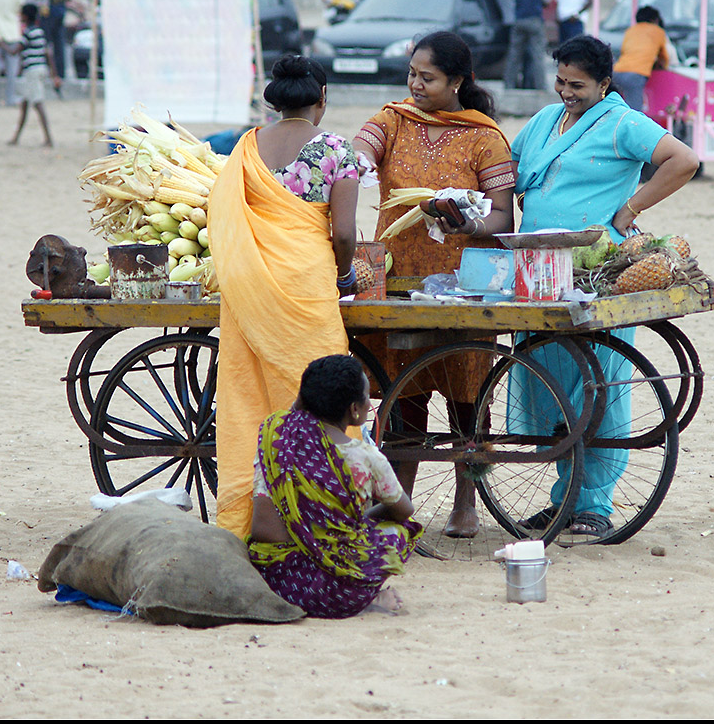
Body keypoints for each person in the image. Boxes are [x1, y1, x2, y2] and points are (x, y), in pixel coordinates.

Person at [508, 35, 699, 540]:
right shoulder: (545, 120)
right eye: (561, 82)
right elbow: (510, 169)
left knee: (598, 382)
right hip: (538, 271)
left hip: (595, 274)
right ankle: (562, 498)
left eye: (578, 85)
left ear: (605, 84)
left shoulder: (622, 123)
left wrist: (631, 209)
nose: (566, 92)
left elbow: (684, 160)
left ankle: (594, 503)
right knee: (545, 379)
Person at [353, 31, 516, 538]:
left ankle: (466, 504)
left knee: (467, 391)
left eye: (428, 78)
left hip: (465, 283)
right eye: (412, 75)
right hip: (398, 280)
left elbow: (504, 217)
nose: (416, 85)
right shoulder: (393, 119)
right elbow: (360, 150)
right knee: (404, 393)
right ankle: (399, 503)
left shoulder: (484, 136)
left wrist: (468, 224)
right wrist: (347, 163)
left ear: (458, 81)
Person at [207, 55, 361, 541]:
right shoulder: (337, 149)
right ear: (321, 100)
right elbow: (344, 234)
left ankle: (254, 519)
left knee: (249, 392)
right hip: (308, 284)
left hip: (248, 286)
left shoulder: (246, 148)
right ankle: (323, 515)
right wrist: (345, 273)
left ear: (273, 100)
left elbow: (224, 218)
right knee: (319, 389)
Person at [247, 355, 422, 618]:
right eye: (366, 395)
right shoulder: (366, 457)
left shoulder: (278, 440)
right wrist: (356, 521)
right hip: (340, 591)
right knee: (403, 529)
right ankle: (370, 599)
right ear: (354, 410)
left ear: (302, 398)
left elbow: (262, 529)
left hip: (277, 582)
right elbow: (403, 510)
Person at [8, 3, 61, 148]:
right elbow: (47, 53)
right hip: (38, 69)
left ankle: (49, 139)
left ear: (24, 16)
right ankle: (16, 137)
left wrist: (2, 45)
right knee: (25, 104)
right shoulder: (39, 31)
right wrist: (53, 74)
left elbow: (15, 51)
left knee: (38, 103)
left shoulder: (27, 33)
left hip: (32, 71)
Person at [503, 0, 551, 91]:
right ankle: (541, 86)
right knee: (537, 55)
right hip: (535, 21)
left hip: (519, 20)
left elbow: (510, 3)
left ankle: (509, 85)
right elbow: (546, 0)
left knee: (514, 55)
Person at [613, 6, 671, 111]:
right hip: (636, 74)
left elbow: (625, 51)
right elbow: (663, 57)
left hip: (617, 72)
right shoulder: (658, 31)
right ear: (655, 20)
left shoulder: (630, 30)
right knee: (634, 112)